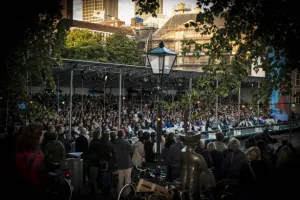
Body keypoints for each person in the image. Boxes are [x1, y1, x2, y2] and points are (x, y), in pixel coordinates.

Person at [15, 123, 49, 200]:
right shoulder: (38, 157)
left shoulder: (18, 151)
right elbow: (43, 180)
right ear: (38, 137)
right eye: (42, 134)